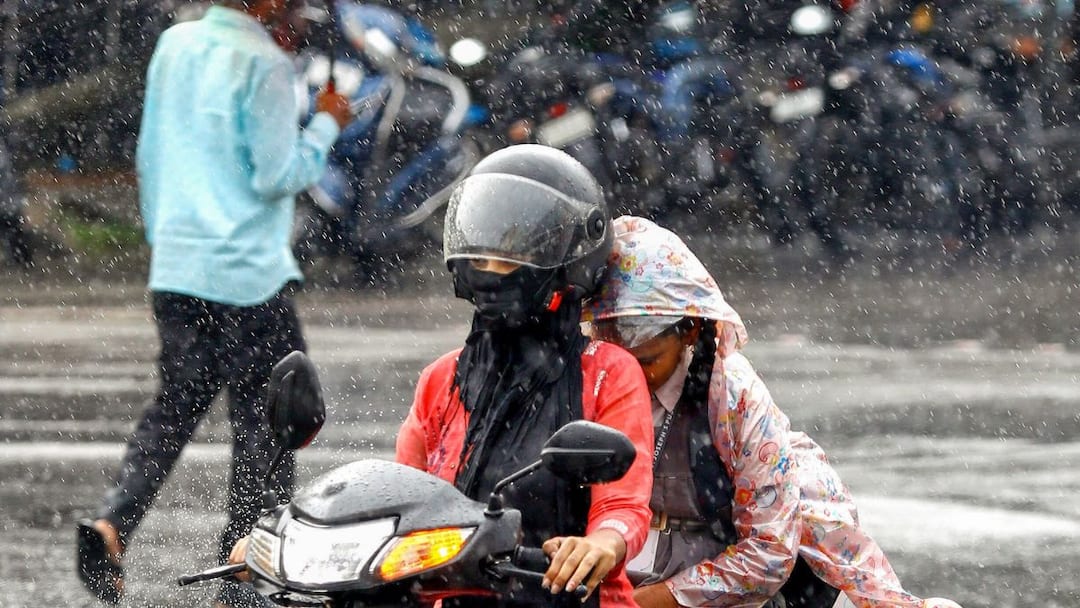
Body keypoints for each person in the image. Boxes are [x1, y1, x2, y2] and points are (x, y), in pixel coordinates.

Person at [75, 1, 352, 606]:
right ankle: (248, 559)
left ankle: (113, 522)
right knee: (273, 418)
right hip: (246, 274)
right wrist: (328, 123)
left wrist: (169, 238)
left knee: (176, 404)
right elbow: (276, 174)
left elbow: (151, 155)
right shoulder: (266, 65)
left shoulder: (175, 45)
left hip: (178, 266)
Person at [583, 215, 963, 608]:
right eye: (618, 359)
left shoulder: (734, 398)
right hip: (633, 555)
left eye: (647, 359)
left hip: (745, 562)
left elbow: (768, 553)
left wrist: (644, 603)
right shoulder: (590, 379)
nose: (630, 375)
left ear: (691, 330)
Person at [395, 144, 656, 608]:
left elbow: (623, 505)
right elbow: (399, 503)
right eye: (483, 258)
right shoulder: (441, 380)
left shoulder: (609, 374)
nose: (491, 274)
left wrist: (598, 545)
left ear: (566, 264)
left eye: (511, 258)